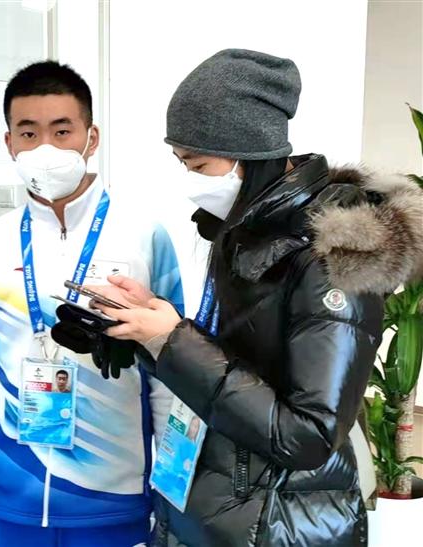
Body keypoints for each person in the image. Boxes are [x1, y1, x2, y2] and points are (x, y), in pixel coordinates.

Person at [91, 49, 423, 546]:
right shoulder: (248, 233)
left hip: (278, 523)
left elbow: (307, 435)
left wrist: (175, 341)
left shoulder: (328, 260)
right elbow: (242, 363)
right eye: (182, 163)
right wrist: (150, 333)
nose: (190, 181)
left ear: (250, 153)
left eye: (198, 164)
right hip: (222, 505)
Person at [0, 61, 184, 547]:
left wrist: (173, 497)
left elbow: (172, 376)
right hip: (6, 503)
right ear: (9, 143)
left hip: (112, 502)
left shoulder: (145, 238)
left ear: (91, 137)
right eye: (29, 133)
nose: (45, 148)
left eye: (62, 131)